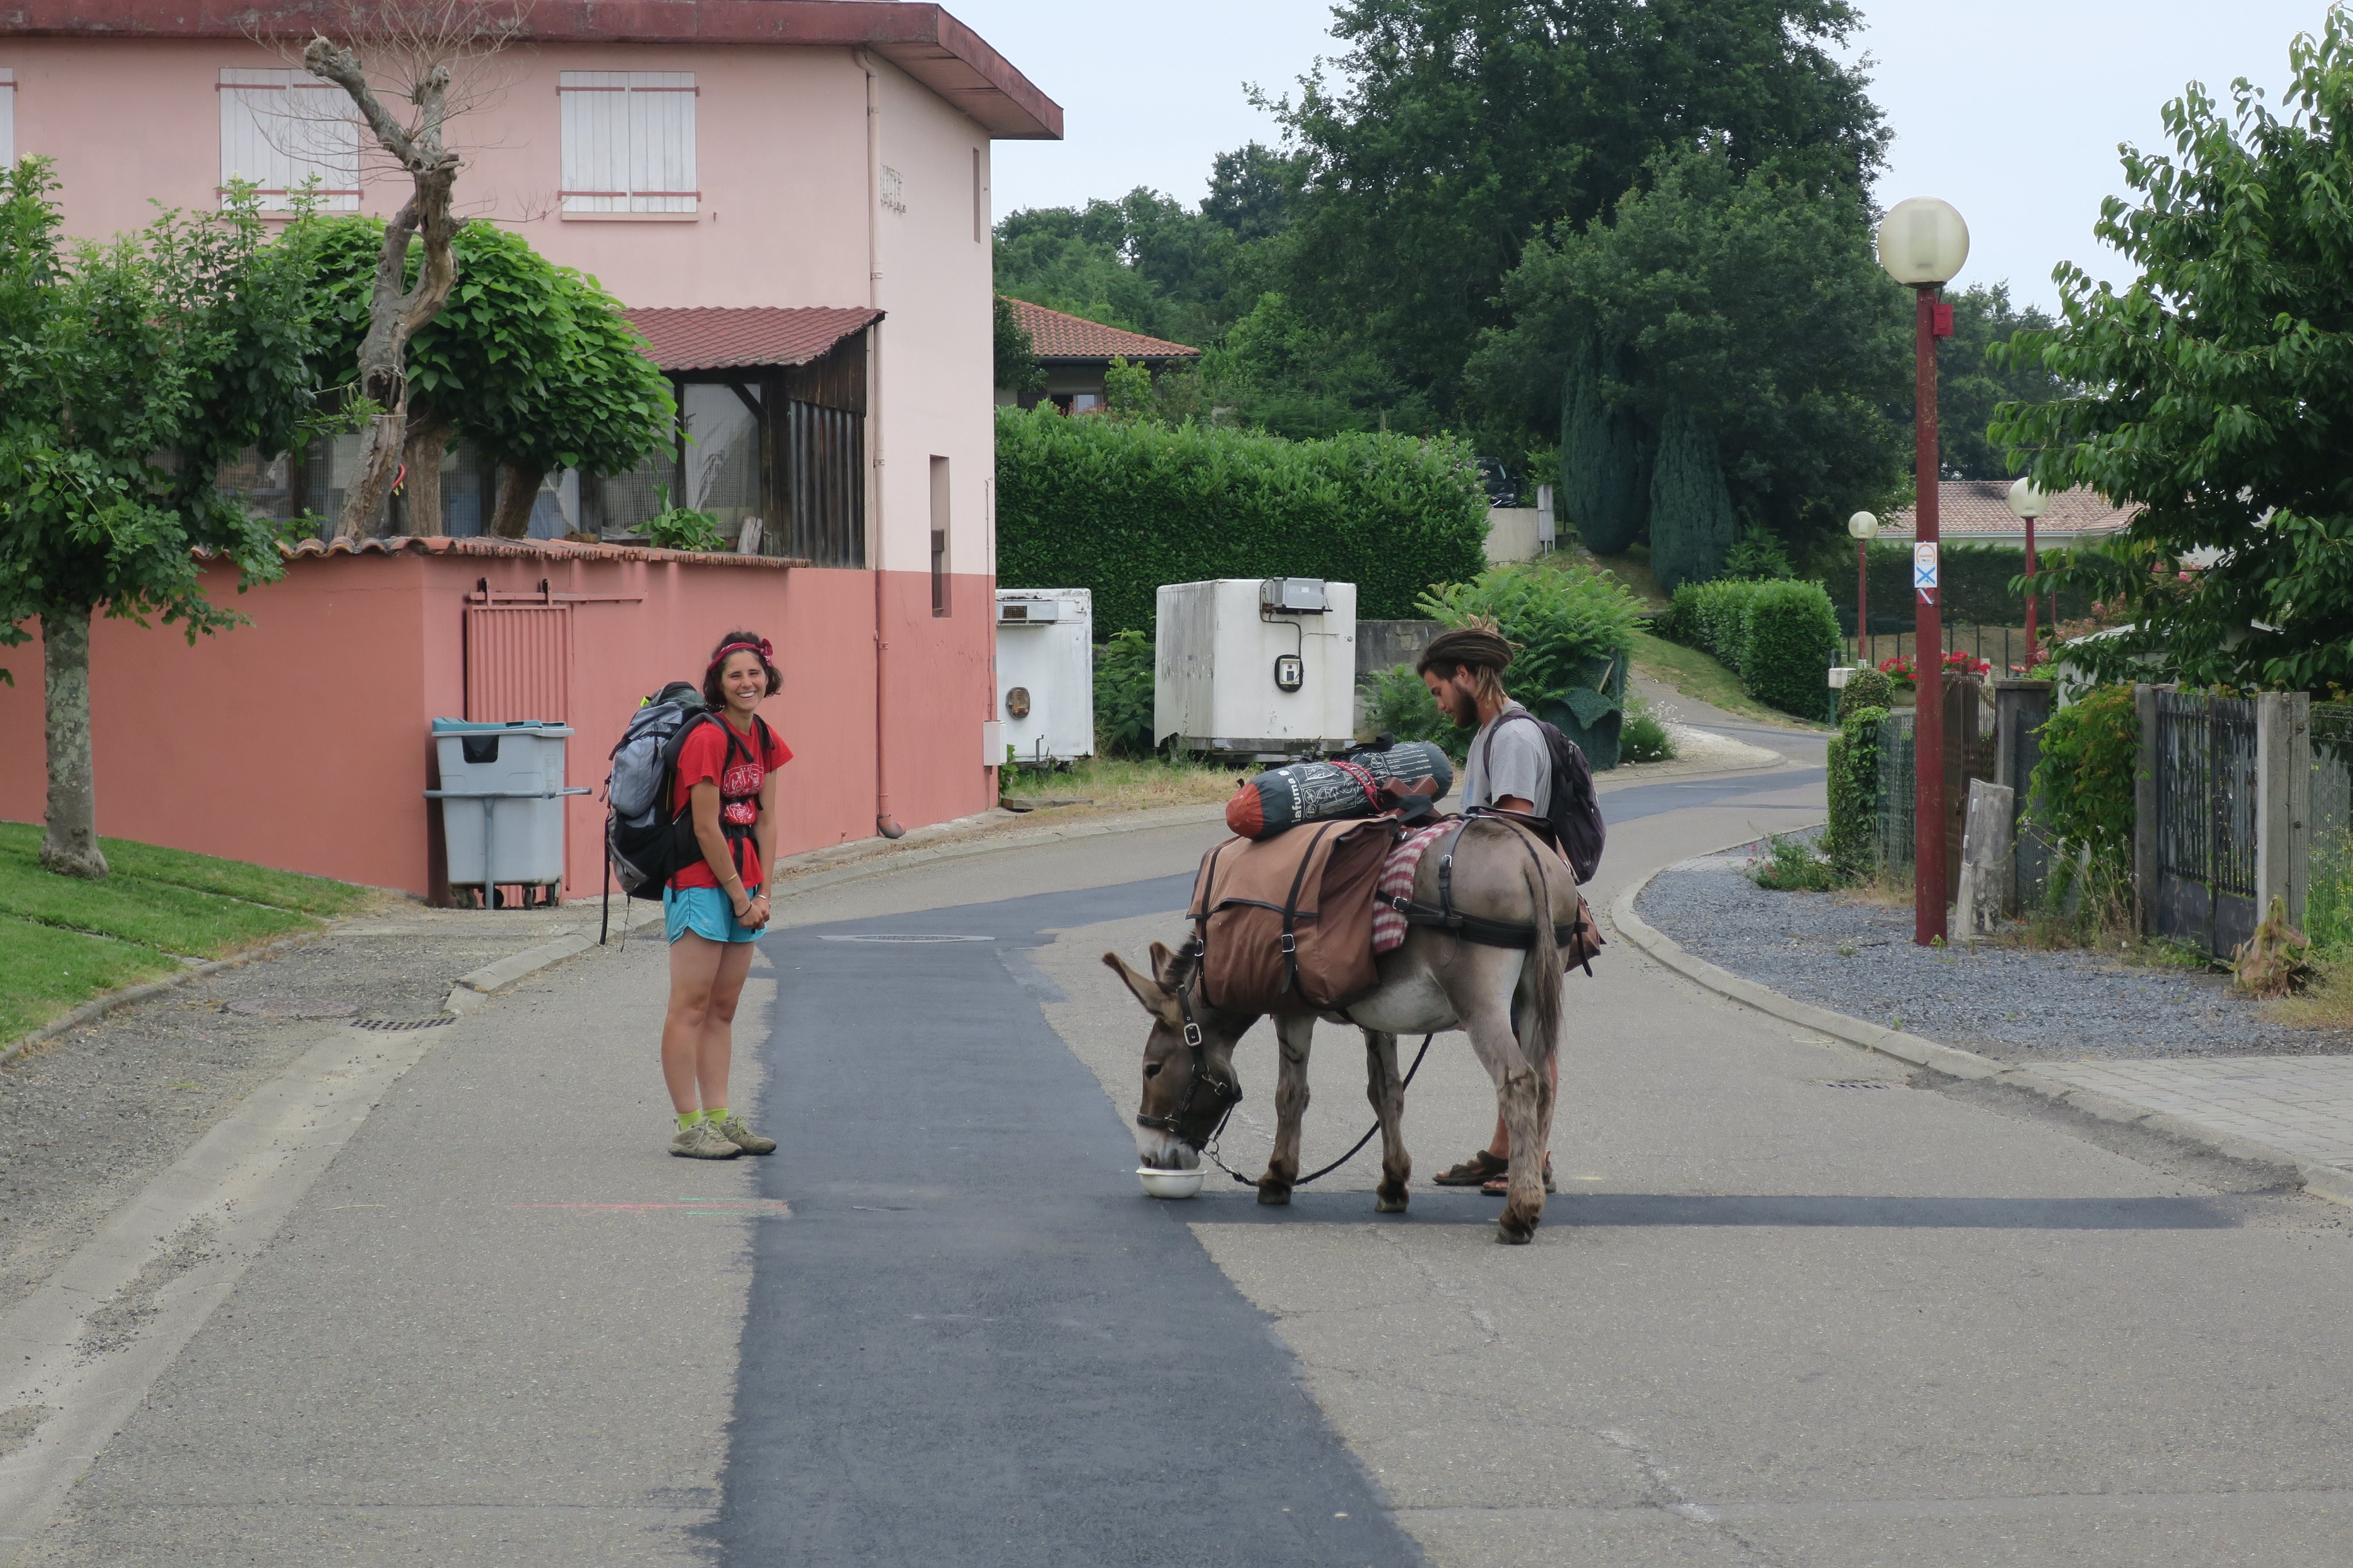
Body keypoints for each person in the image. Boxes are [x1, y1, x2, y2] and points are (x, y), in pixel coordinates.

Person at [1417, 624, 1557, 1197]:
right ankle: (1505, 1151)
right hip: (1507, 903)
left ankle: (1535, 1160)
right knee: (1515, 1031)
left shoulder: (1514, 739)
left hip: (1517, 907)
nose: (1438, 701)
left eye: (1438, 689)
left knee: (1531, 1035)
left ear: (1467, 676)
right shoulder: (1488, 735)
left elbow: (1511, 830)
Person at [663, 631, 790, 1160]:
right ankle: (690, 1127)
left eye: (754, 673)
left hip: (745, 885)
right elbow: (706, 826)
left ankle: (720, 1117)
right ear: (718, 682)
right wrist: (741, 897)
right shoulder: (707, 739)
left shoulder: (764, 737)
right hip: (699, 881)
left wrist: (765, 892)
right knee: (689, 1007)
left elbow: (767, 817)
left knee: (724, 1007)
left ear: (768, 678)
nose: (747, 683)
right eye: (735, 675)